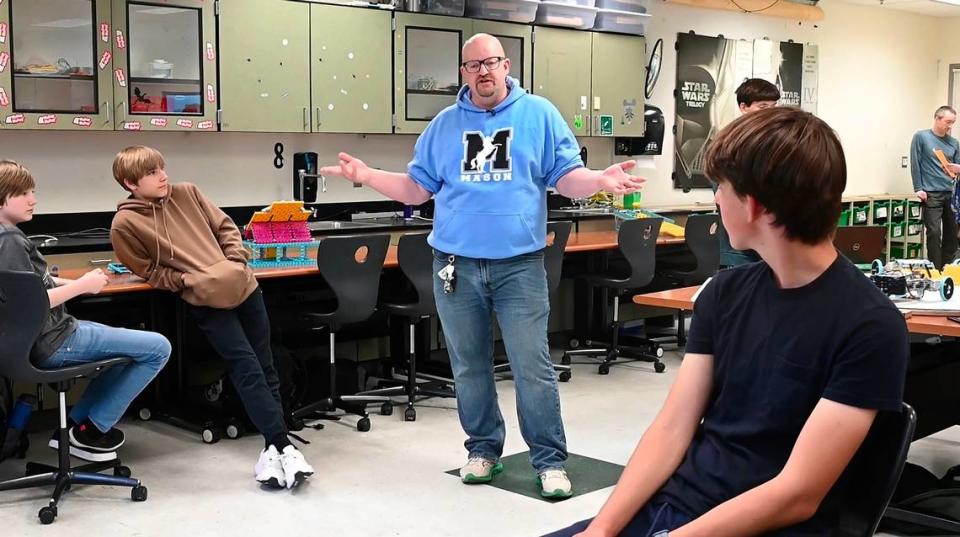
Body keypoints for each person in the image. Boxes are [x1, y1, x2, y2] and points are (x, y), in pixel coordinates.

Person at [546, 107, 910, 536]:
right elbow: (671, 430)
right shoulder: (725, 293)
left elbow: (797, 493)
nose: (715, 199)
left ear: (753, 206)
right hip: (678, 506)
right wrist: (602, 530)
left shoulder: (870, 326)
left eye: (721, 187)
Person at [319, 33, 644, 499]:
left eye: (491, 62)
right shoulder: (446, 125)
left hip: (519, 266)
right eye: (474, 65)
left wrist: (598, 179)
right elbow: (417, 189)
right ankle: (483, 450)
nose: (484, 72)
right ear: (463, 73)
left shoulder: (539, 115)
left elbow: (566, 177)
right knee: (469, 366)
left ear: (506, 65)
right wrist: (367, 176)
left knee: (532, 367)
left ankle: (549, 460)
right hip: (456, 266)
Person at [108, 146, 314, 490]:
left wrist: (236, 261)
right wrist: (188, 281)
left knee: (266, 365)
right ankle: (284, 446)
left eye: (162, 167)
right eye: (151, 173)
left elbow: (226, 227)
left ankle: (275, 447)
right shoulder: (125, 224)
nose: (163, 176)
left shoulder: (187, 193)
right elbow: (149, 270)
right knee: (245, 366)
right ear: (131, 183)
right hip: (205, 301)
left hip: (245, 288)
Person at [0, 159, 171, 462]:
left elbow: (33, 282)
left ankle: (75, 429)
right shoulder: (10, 239)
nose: (33, 199)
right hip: (54, 341)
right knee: (157, 347)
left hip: (31, 342)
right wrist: (81, 287)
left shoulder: (5, 238)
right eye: (24, 193)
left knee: (130, 352)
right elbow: (29, 303)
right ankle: (90, 431)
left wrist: (81, 281)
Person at [715, 78, 781, 268]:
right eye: (762, 106)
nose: (769, 112)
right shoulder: (729, 142)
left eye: (773, 106)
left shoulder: (774, 141)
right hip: (740, 248)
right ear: (744, 107)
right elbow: (727, 195)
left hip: (771, 243)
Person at [911, 105, 960, 269]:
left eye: (953, 122)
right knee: (934, 233)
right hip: (931, 193)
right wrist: (918, 187)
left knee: (952, 235)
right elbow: (915, 162)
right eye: (948, 121)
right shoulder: (921, 137)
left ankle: (946, 269)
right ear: (937, 118)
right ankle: (935, 270)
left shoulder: (954, 143)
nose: (950, 126)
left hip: (951, 194)